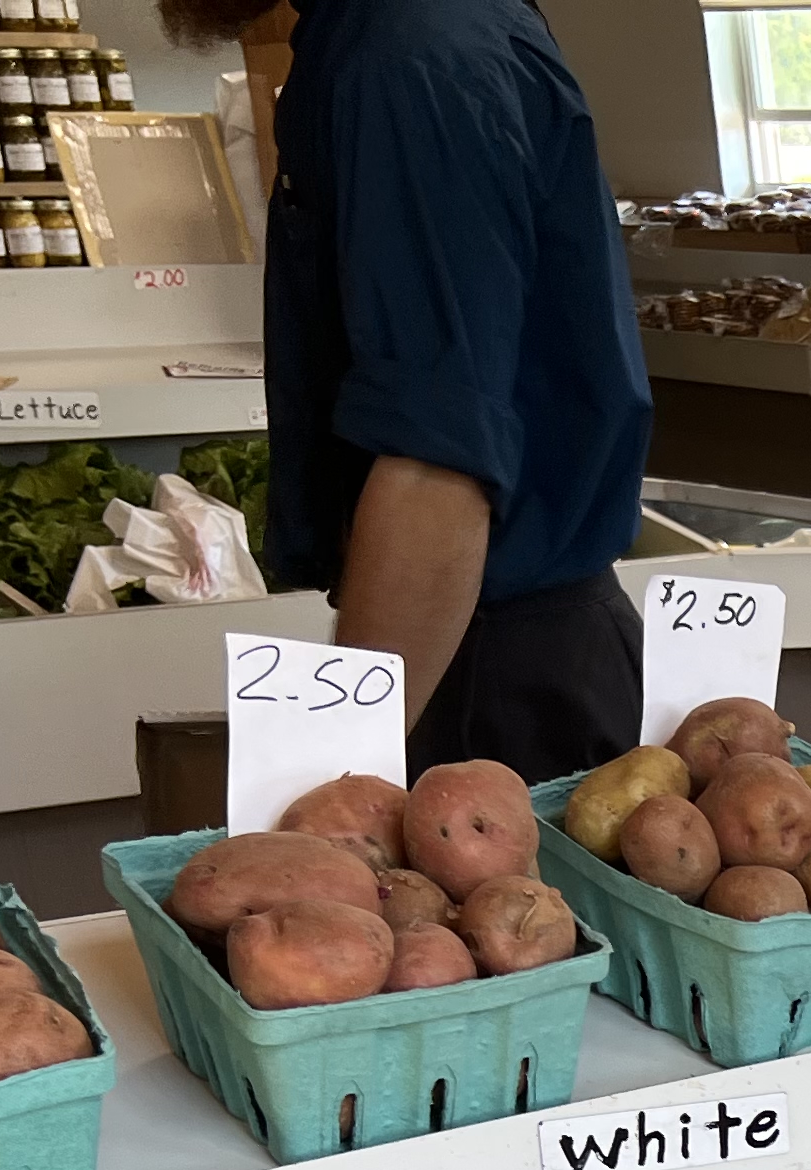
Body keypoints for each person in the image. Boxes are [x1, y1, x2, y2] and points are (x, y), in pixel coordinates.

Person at [162, 0, 653, 777]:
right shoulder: (391, 35)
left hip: (493, 683)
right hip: (476, 650)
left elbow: (437, 464)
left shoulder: (409, 50)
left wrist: (333, 781)